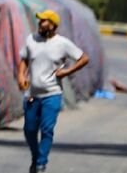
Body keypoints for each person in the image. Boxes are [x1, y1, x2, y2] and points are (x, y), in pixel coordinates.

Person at [18, 10, 90, 173]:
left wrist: (67, 72)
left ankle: (41, 164)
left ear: (52, 25)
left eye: (43, 21)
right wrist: (21, 75)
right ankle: (36, 158)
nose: (39, 24)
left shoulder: (62, 43)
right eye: (39, 21)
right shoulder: (31, 39)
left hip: (52, 94)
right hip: (32, 94)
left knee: (47, 129)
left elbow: (84, 58)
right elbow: (24, 59)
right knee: (29, 130)